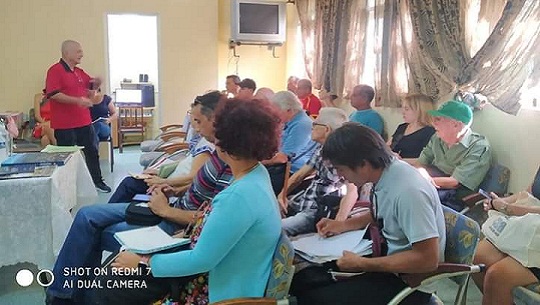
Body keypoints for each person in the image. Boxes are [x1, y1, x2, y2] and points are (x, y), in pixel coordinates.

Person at [44, 91, 232, 305]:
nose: (195, 128)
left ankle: (64, 296)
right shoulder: (220, 154)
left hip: (170, 222)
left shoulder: (231, 171)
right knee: (87, 217)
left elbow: (207, 221)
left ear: (216, 120)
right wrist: (173, 190)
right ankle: (68, 294)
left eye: (199, 122)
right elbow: (199, 188)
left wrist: (166, 209)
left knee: (89, 227)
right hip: (169, 208)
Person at [96, 98, 283, 304]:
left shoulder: (238, 197)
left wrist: (143, 262)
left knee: (110, 281)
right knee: (115, 267)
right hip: (230, 272)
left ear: (224, 141)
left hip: (215, 288)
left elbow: (200, 261)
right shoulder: (258, 174)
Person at [294, 123, 445, 305]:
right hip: (387, 260)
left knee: (314, 298)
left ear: (363, 164)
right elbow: (382, 212)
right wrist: (343, 225)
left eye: (341, 169)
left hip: (409, 283)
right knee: (304, 279)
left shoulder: (408, 191)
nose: (341, 176)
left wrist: (362, 264)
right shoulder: (386, 173)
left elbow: (427, 259)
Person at [108, 94, 218, 203]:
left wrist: (163, 181)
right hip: (172, 183)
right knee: (130, 184)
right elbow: (189, 164)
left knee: (129, 185)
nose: (194, 124)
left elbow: (193, 177)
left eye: (197, 120)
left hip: (171, 188)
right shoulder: (203, 140)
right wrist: (160, 172)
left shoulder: (207, 144)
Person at [45, 39, 111, 192]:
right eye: (79, 51)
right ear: (67, 53)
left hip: (84, 121)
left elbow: (91, 87)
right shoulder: (54, 71)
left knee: (92, 152)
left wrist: (97, 83)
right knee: (67, 158)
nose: (82, 54)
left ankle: (97, 182)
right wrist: (77, 101)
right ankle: (67, 188)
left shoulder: (79, 72)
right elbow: (53, 94)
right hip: (64, 124)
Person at [280, 107, 356, 236]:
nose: (311, 126)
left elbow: (352, 190)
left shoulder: (342, 155)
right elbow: (299, 175)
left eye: (315, 124)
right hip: (301, 201)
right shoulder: (321, 149)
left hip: (315, 211)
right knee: (265, 216)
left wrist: (339, 223)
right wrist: (281, 196)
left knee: (274, 229)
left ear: (326, 129)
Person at [405, 100, 492, 211]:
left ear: (456, 125)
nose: (434, 123)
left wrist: (421, 180)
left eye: (439, 119)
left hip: (454, 193)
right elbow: (421, 162)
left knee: (412, 196)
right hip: (430, 180)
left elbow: (455, 182)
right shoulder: (437, 137)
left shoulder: (479, 147)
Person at [472, 166, 540, 305]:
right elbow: (529, 193)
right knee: (477, 257)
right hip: (530, 229)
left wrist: (507, 208)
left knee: (497, 276)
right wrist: (502, 201)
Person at [265, 91, 318, 194]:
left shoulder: (301, 124)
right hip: (284, 169)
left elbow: (282, 158)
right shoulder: (292, 121)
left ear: (289, 110)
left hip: (293, 173)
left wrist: (258, 162)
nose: (273, 115)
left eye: (276, 112)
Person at [388, 93, 436, 158]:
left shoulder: (430, 132)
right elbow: (388, 145)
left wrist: (401, 160)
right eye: (403, 108)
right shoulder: (402, 127)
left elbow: (428, 160)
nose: (403, 112)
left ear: (419, 111)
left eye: (407, 109)